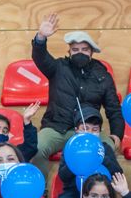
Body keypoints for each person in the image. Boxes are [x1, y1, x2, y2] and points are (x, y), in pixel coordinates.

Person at [29, 12, 124, 170]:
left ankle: (103, 192)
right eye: (75, 49)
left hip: (89, 130)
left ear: (92, 52)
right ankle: (41, 193)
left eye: (84, 49)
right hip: (56, 128)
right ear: (69, 52)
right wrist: (41, 37)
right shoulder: (58, 67)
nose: (80, 52)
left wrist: (117, 135)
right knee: (37, 148)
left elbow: (114, 109)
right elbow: (40, 57)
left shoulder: (103, 75)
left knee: (108, 149)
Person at [49, 105, 124, 198]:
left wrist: (100, 156)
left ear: (99, 132)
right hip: (74, 193)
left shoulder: (105, 148)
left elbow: (118, 174)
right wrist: (77, 160)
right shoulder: (70, 147)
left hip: (100, 195)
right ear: (77, 130)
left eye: (94, 129)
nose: (89, 132)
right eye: (85, 128)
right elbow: (63, 176)